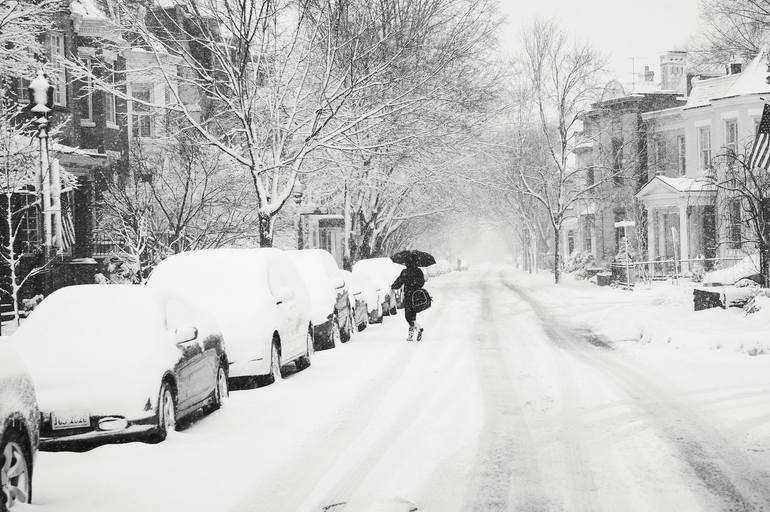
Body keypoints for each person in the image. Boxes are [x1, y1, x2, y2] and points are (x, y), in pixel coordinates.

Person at [391, 258, 425, 341]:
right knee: (413, 316)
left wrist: (393, 286)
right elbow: (422, 283)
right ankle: (410, 336)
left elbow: (398, 282)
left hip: (409, 296)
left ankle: (418, 328)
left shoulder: (405, 272)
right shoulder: (419, 271)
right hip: (417, 296)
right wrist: (416, 282)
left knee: (408, 317)